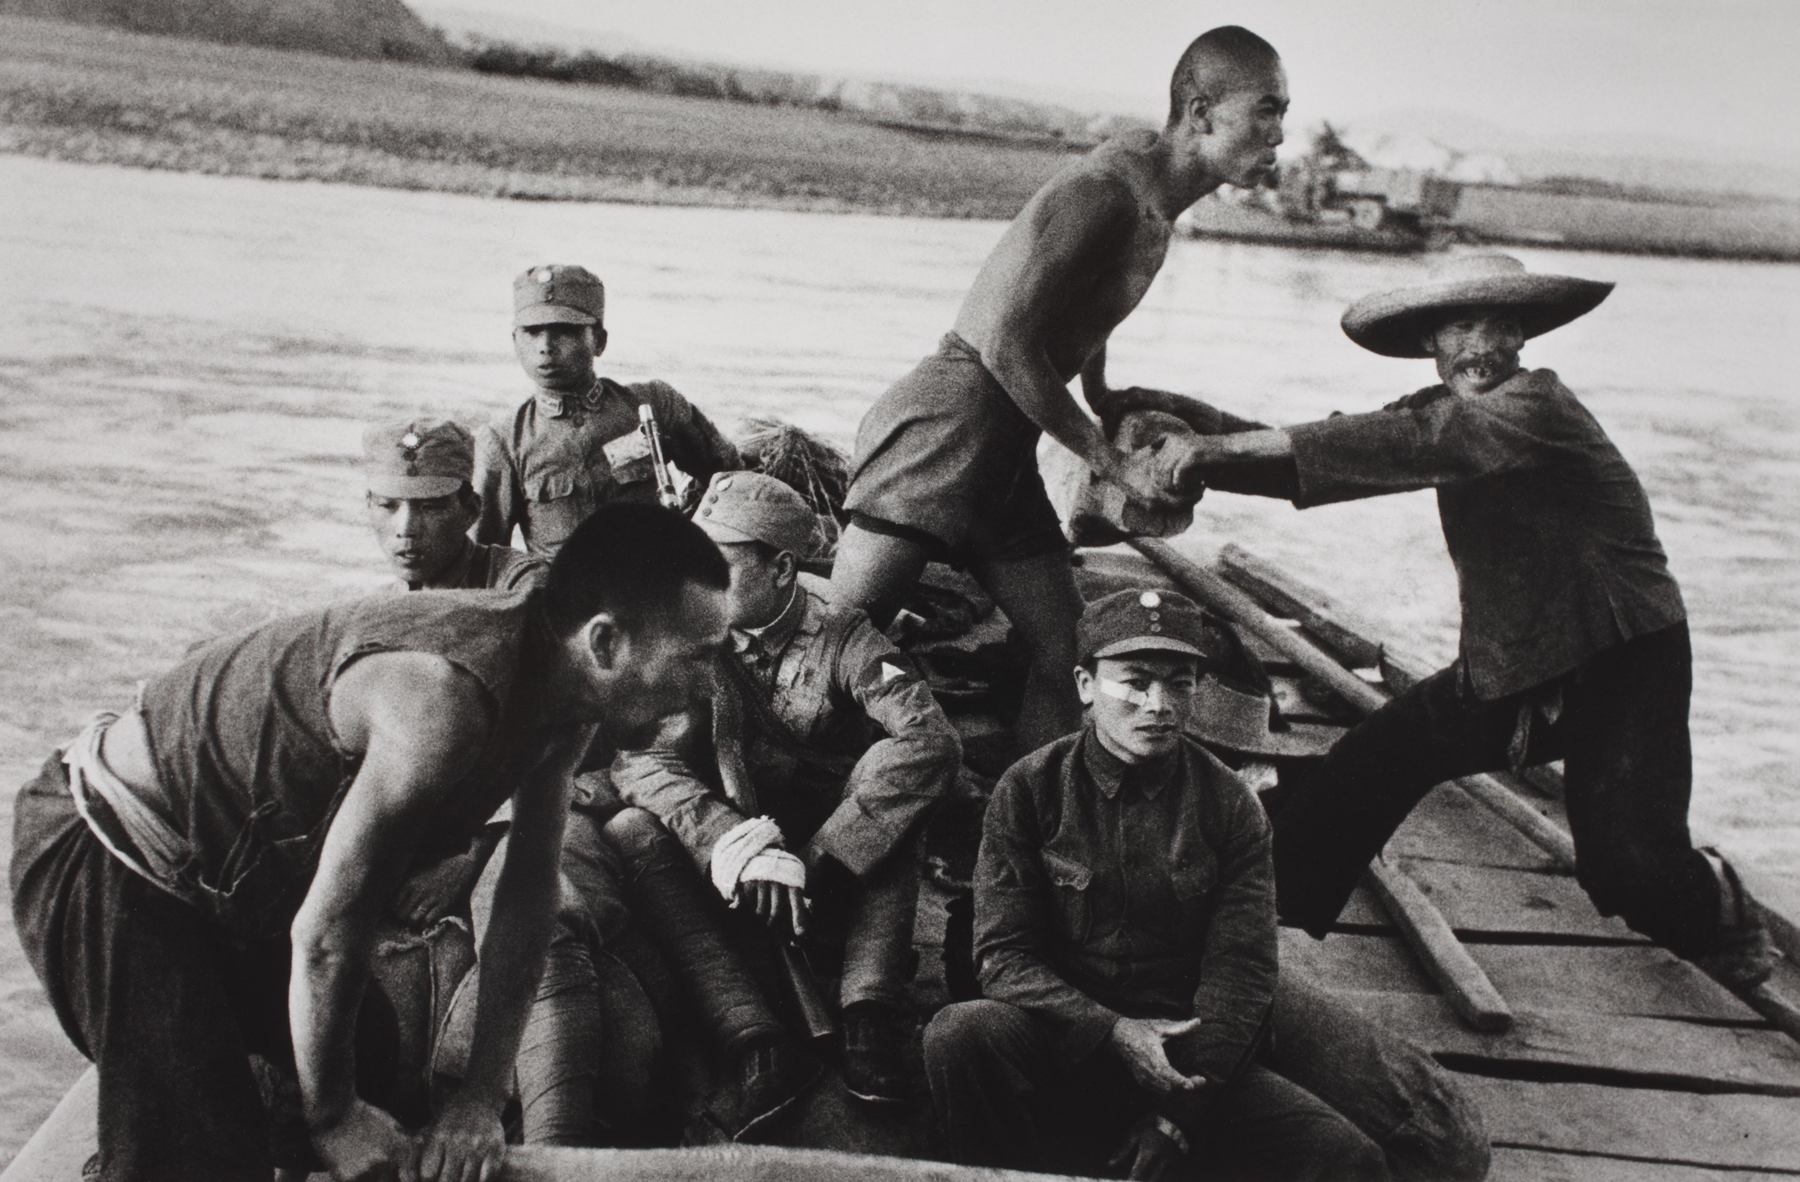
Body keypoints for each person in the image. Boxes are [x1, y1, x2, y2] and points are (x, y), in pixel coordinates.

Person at [10, 503, 731, 1182]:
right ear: (604, 641)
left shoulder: (565, 696)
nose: (708, 686)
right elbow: (326, 935)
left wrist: (479, 1100)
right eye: (697, 658)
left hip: (228, 877)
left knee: (374, 1052)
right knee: (196, 1157)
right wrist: (333, 1118)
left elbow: (526, 897)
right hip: (112, 853)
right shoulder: (441, 702)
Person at [1173, 252, 1774, 988]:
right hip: (1513, 660)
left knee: (1627, 871)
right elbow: (1331, 456)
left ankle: (1719, 908)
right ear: (1433, 343)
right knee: (1369, 765)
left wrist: (1211, 448)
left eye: (1502, 326)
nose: (1483, 345)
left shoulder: (1536, 407)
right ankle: (1256, 927)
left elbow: (1416, 445)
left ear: (1523, 340)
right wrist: (1184, 430)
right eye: (1462, 325)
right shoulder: (1436, 414)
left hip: (1623, 656)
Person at [829, 26, 1289, 754]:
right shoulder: (1106, 194)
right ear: (1200, 113)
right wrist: (1107, 460)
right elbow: (1006, 343)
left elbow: (1080, 307)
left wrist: (1103, 392)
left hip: (1006, 439)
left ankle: (1026, 823)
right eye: (1265, 110)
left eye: (1283, 114)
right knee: (834, 640)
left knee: (1068, 652)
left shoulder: (1159, 200)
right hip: (952, 417)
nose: (1279, 134)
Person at [924, 589, 1386, 1181]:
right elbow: (1003, 958)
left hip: (1182, 1059)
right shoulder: (1029, 790)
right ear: (1085, 685)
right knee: (960, 1034)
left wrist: (1179, 1116)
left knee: (1346, 1159)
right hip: (1061, 1040)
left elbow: (1241, 974)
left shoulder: (1232, 809)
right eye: (1136, 680)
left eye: (1180, 682)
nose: (1158, 704)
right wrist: (1114, 1031)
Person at [616, 471, 962, 1105]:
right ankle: (750, 1032)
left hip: (827, 850)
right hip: (735, 847)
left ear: (781, 569)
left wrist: (818, 858)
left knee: (891, 781)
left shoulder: (847, 636)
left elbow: (931, 741)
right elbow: (641, 759)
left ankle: (868, 1009)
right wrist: (731, 843)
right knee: (630, 829)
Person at [473, 263, 741, 558]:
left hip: (657, 585)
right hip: (565, 596)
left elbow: (729, 476)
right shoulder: (504, 441)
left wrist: (698, 541)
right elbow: (485, 555)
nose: (546, 346)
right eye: (532, 332)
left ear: (598, 341)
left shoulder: (652, 404)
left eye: (565, 331)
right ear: (515, 341)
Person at [364, 417, 545, 592]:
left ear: (470, 510)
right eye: (387, 505)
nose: (406, 529)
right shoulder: (376, 607)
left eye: (430, 507)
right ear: (369, 506)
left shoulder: (520, 586)